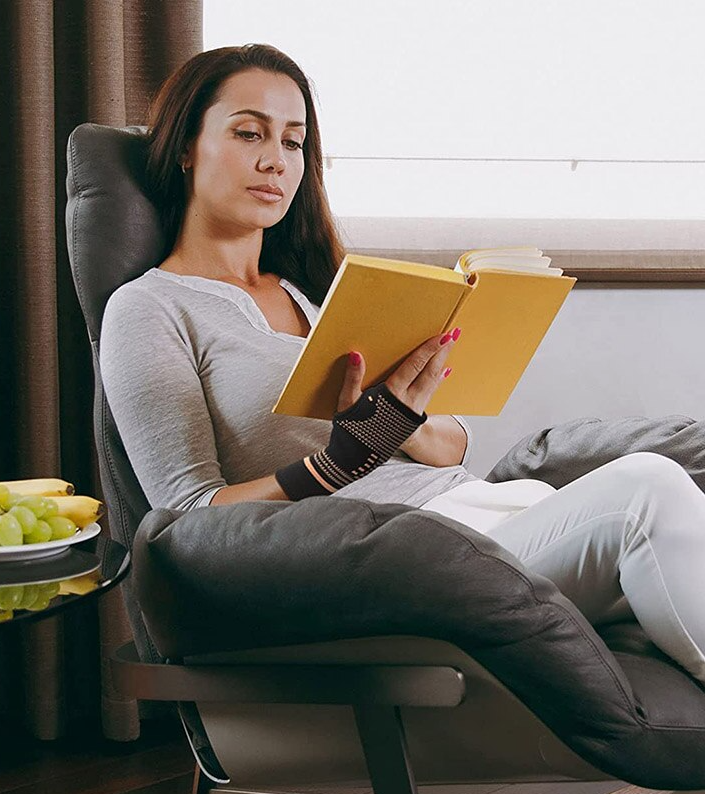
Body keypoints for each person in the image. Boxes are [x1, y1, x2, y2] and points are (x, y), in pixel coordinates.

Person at [100, 44, 705, 686]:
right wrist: (330, 467)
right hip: (398, 565)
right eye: (249, 133)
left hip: (477, 514)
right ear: (185, 147)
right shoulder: (148, 308)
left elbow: (450, 445)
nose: (275, 160)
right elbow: (186, 520)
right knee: (646, 485)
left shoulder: (320, 291)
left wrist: (399, 423)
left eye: (294, 141)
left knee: (670, 489)